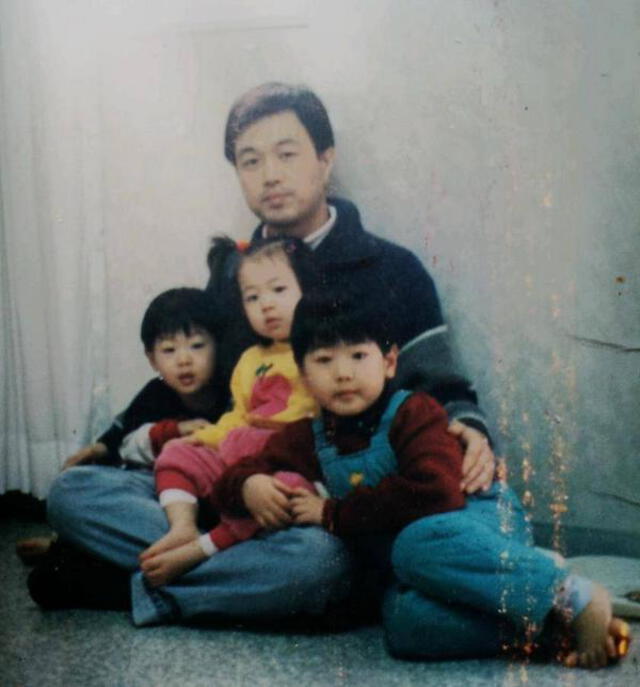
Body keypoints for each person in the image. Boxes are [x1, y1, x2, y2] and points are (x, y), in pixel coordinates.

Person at [41, 82, 496, 625]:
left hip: (312, 504)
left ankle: (122, 580)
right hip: (229, 477)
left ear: (326, 160)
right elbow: (190, 382)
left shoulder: (392, 269)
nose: (270, 175)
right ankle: (211, 571)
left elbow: (439, 381)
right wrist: (111, 439)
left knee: (318, 566)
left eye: (287, 154)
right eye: (250, 161)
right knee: (72, 491)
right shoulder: (235, 272)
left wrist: (470, 429)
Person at [215, 295, 631, 670]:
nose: (343, 374)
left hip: (475, 521)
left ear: (390, 362)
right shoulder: (309, 436)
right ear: (304, 376)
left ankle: (569, 594)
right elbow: (229, 477)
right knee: (404, 622)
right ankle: (551, 629)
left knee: (414, 545)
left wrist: (334, 513)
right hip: (421, 565)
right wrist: (249, 484)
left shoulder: (415, 413)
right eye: (324, 361)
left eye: (359, 356)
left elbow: (437, 492)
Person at [26, 287, 227, 606]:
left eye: (197, 345)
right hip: (157, 500)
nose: (184, 360)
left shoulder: (232, 391)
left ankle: (94, 558)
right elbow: (123, 432)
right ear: (152, 359)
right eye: (169, 350)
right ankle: (201, 563)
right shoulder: (156, 393)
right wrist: (100, 448)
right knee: (69, 489)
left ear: (219, 345)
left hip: (209, 506)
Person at [140, 237, 321, 587]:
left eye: (278, 290)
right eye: (252, 297)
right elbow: (239, 415)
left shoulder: (318, 349)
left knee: (285, 493)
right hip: (238, 455)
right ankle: (182, 527)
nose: (266, 305)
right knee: (179, 450)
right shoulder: (250, 360)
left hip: (286, 461)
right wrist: (206, 438)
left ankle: (202, 550)